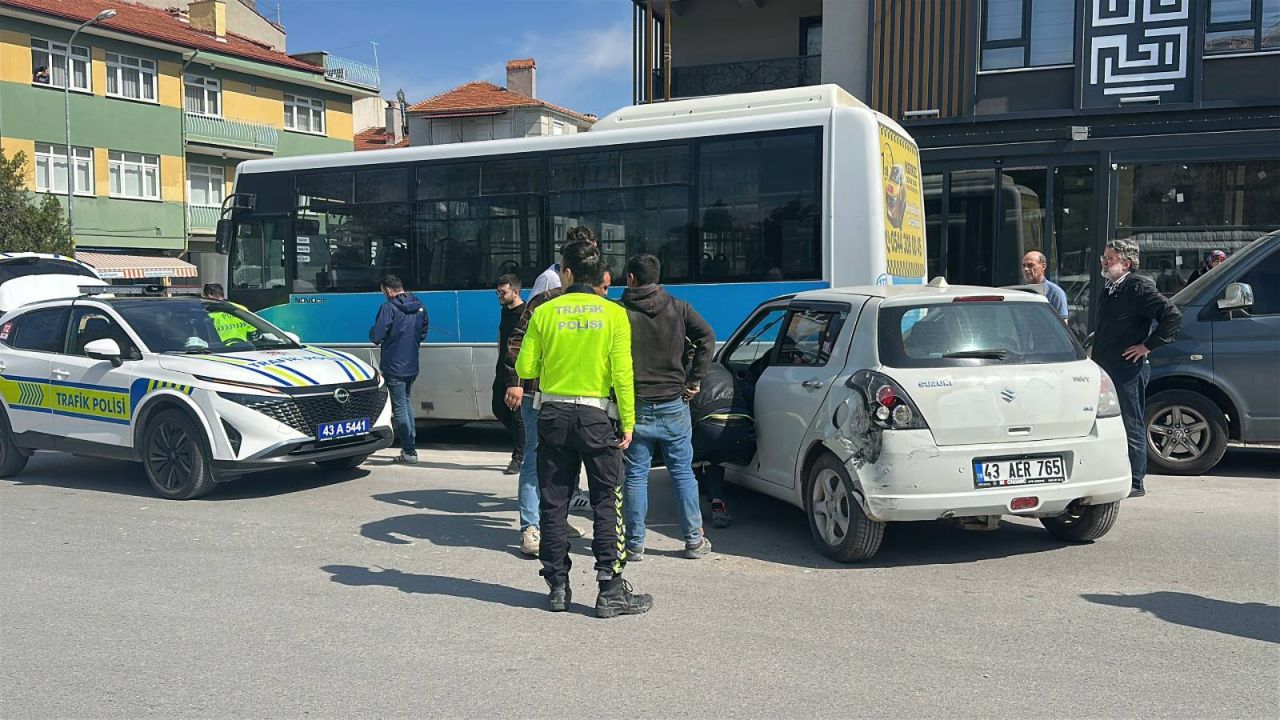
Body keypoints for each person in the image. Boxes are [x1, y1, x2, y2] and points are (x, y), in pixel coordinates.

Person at [515, 240, 652, 617]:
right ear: (599, 276)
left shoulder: (544, 311)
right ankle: (610, 589)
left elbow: (525, 368)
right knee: (607, 499)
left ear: (567, 272)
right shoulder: (614, 314)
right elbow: (623, 374)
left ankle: (557, 587)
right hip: (597, 417)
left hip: (553, 416)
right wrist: (628, 421)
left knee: (554, 502)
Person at [619, 254, 715, 561]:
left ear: (631, 278)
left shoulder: (620, 311)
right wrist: (694, 379)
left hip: (635, 402)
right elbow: (707, 337)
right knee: (682, 473)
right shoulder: (679, 307)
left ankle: (634, 544)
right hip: (674, 401)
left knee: (636, 475)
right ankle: (693, 541)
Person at [502, 272, 587, 557]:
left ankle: (556, 520)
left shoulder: (594, 305)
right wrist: (515, 382)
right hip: (537, 394)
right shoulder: (544, 301)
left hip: (574, 395)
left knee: (567, 459)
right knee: (534, 457)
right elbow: (517, 342)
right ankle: (530, 527)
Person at [1092, 240, 1181, 498]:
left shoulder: (1137, 286)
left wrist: (1147, 346)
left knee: (1131, 422)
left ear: (1126, 263)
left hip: (1127, 369)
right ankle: (1113, 473)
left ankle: (1135, 480)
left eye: (1110, 258)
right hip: (1106, 366)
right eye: (1104, 257)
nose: (1105, 262)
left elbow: (1172, 315)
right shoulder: (1111, 288)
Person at [368, 274, 428, 465]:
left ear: (387, 289)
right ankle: (410, 444)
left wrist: (373, 333)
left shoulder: (389, 307)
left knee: (400, 406)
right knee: (406, 402)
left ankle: (409, 450)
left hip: (393, 364)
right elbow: (423, 332)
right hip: (412, 363)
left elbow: (377, 335)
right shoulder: (419, 305)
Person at [493, 274, 526, 475]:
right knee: (498, 408)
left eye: (503, 292)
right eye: (498, 292)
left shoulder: (525, 313)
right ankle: (528, 441)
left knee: (517, 415)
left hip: (517, 371)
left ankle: (519, 457)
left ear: (516, 291)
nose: (500, 296)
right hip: (502, 367)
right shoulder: (505, 311)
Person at [530, 225, 597, 296]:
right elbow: (534, 302)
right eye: (589, 251)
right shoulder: (548, 277)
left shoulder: (592, 277)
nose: (594, 256)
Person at [1020, 251, 1069, 321]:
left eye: (1030, 265)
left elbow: (1063, 323)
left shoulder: (1055, 292)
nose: (1026, 269)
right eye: (1024, 266)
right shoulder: (1021, 291)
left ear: (1043, 266)